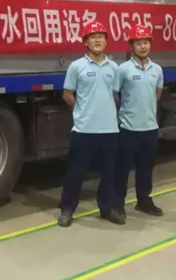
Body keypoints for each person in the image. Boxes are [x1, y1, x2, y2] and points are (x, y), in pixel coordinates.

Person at [57, 21, 124, 227]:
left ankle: (106, 208)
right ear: (85, 42)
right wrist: (82, 110)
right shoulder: (77, 66)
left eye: (101, 36)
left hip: (109, 130)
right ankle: (67, 209)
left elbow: (115, 94)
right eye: (93, 37)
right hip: (84, 130)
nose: (97, 40)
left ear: (106, 41)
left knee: (109, 173)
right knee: (75, 173)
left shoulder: (114, 68)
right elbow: (67, 95)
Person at [114, 24, 164, 218]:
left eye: (146, 42)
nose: (143, 46)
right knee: (122, 169)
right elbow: (115, 94)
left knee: (146, 169)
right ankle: (117, 203)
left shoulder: (157, 70)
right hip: (128, 128)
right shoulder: (123, 69)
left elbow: (157, 94)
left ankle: (144, 201)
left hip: (150, 128)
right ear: (131, 46)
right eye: (138, 43)